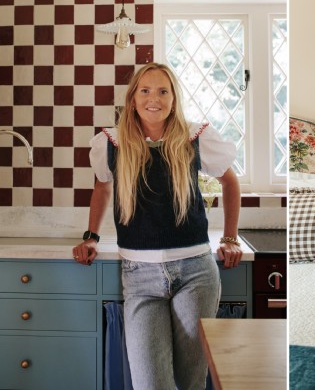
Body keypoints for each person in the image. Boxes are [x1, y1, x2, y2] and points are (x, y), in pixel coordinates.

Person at [72, 62, 242, 389]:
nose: (155, 98)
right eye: (145, 90)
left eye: (163, 91)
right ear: (133, 99)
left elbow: (230, 182)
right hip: (140, 277)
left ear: (174, 99)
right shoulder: (111, 143)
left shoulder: (194, 138)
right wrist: (91, 236)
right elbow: (101, 188)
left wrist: (231, 237)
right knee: (151, 383)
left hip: (196, 273)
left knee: (190, 381)